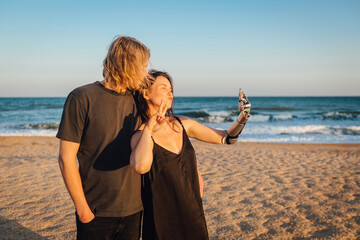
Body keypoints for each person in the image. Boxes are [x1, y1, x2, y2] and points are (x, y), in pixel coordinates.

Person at [130, 70, 251, 240]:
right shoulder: (140, 135)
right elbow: (141, 166)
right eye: (163, 88)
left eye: (171, 89)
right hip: (162, 223)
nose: (170, 93)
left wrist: (242, 118)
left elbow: (227, 138)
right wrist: (149, 129)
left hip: (193, 215)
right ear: (146, 93)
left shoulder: (183, 124)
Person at [57, 36, 150, 240]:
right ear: (128, 64)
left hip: (134, 210)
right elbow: (65, 158)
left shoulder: (139, 100)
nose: (146, 73)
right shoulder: (81, 97)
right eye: (143, 66)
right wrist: (83, 210)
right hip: (94, 211)